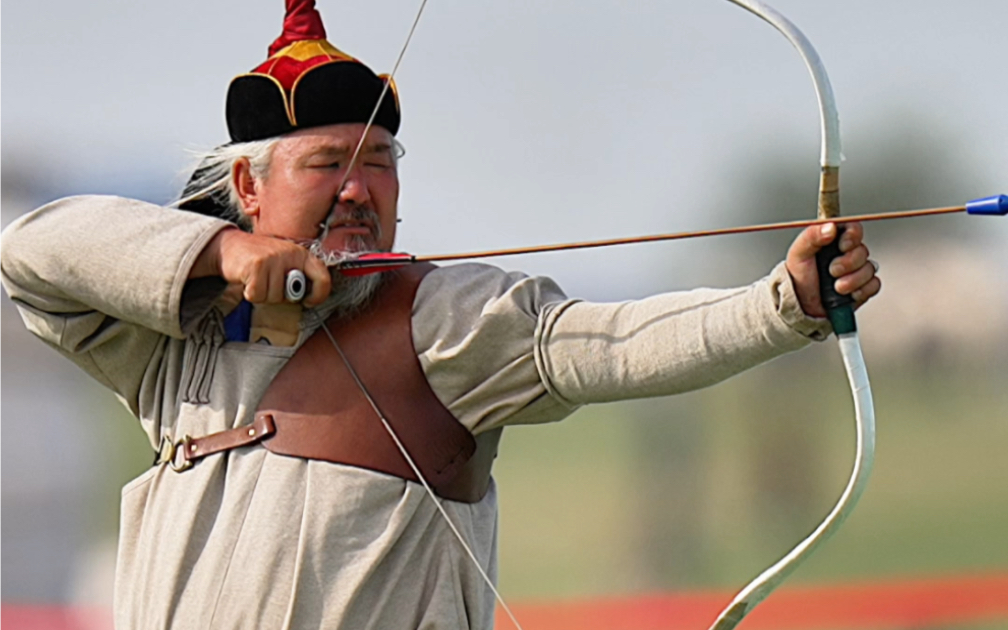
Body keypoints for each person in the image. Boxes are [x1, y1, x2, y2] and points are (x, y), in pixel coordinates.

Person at [0, 1, 880, 628]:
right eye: (325, 163)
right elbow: (32, 252)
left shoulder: (450, 320)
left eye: (380, 160)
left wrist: (783, 304)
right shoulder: (172, 338)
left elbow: (609, 346)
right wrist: (224, 258)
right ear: (247, 187)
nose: (358, 189)